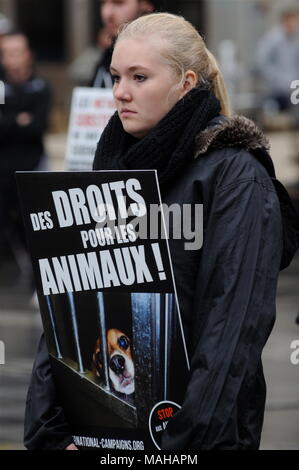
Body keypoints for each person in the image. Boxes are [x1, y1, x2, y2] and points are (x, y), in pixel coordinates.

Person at [24, 13, 299, 450]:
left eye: (139, 77)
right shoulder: (110, 170)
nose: (120, 92)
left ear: (186, 83)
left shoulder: (236, 179)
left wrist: (175, 448)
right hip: (97, 443)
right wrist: (51, 433)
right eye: (116, 76)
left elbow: (230, 336)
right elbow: (65, 309)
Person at [0, 32, 51, 260]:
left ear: (29, 55)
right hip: (3, 170)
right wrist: (19, 119)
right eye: (7, 53)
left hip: (33, 167)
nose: (13, 58)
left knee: (35, 225)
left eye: (17, 52)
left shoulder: (40, 87)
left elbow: (38, 126)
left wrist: (11, 121)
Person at [91, 0, 161, 87]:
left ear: (146, 5)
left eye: (118, 3)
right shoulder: (107, 56)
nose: (107, 13)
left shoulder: (163, 59)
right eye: (103, 3)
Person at [256, 6, 299, 120]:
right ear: (285, 20)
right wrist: (278, 80)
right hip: (275, 91)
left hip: (293, 90)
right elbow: (262, 63)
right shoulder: (272, 40)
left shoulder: (295, 40)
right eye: (292, 20)